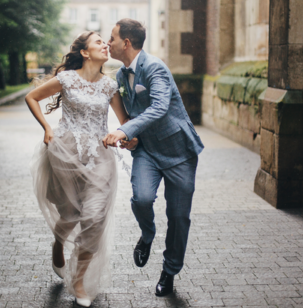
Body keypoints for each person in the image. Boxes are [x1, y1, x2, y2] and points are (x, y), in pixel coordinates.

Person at [26, 31, 137, 307]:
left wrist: (126, 137)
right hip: (65, 152)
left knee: (94, 216)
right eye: (98, 41)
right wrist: (47, 127)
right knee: (70, 213)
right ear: (85, 53)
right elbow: (31, 97)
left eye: (105, 41)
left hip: (100, 156)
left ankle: (78, 280)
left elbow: (125, 123)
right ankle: (58, 242)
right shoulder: (66, 79)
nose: (105, 45)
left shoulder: (109, 86)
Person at [104, 18, 204, 296]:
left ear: (125, 43)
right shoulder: (121, 76)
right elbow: (135, 111)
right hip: (147, 150)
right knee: (142, 199)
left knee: (179, 217)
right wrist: (132, 137)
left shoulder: (155, 67)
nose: (108, 42)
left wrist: (124, 130)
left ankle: (169, 271)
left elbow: (159, 107)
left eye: (111, 38)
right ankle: (147, 234)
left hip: (178, 152)